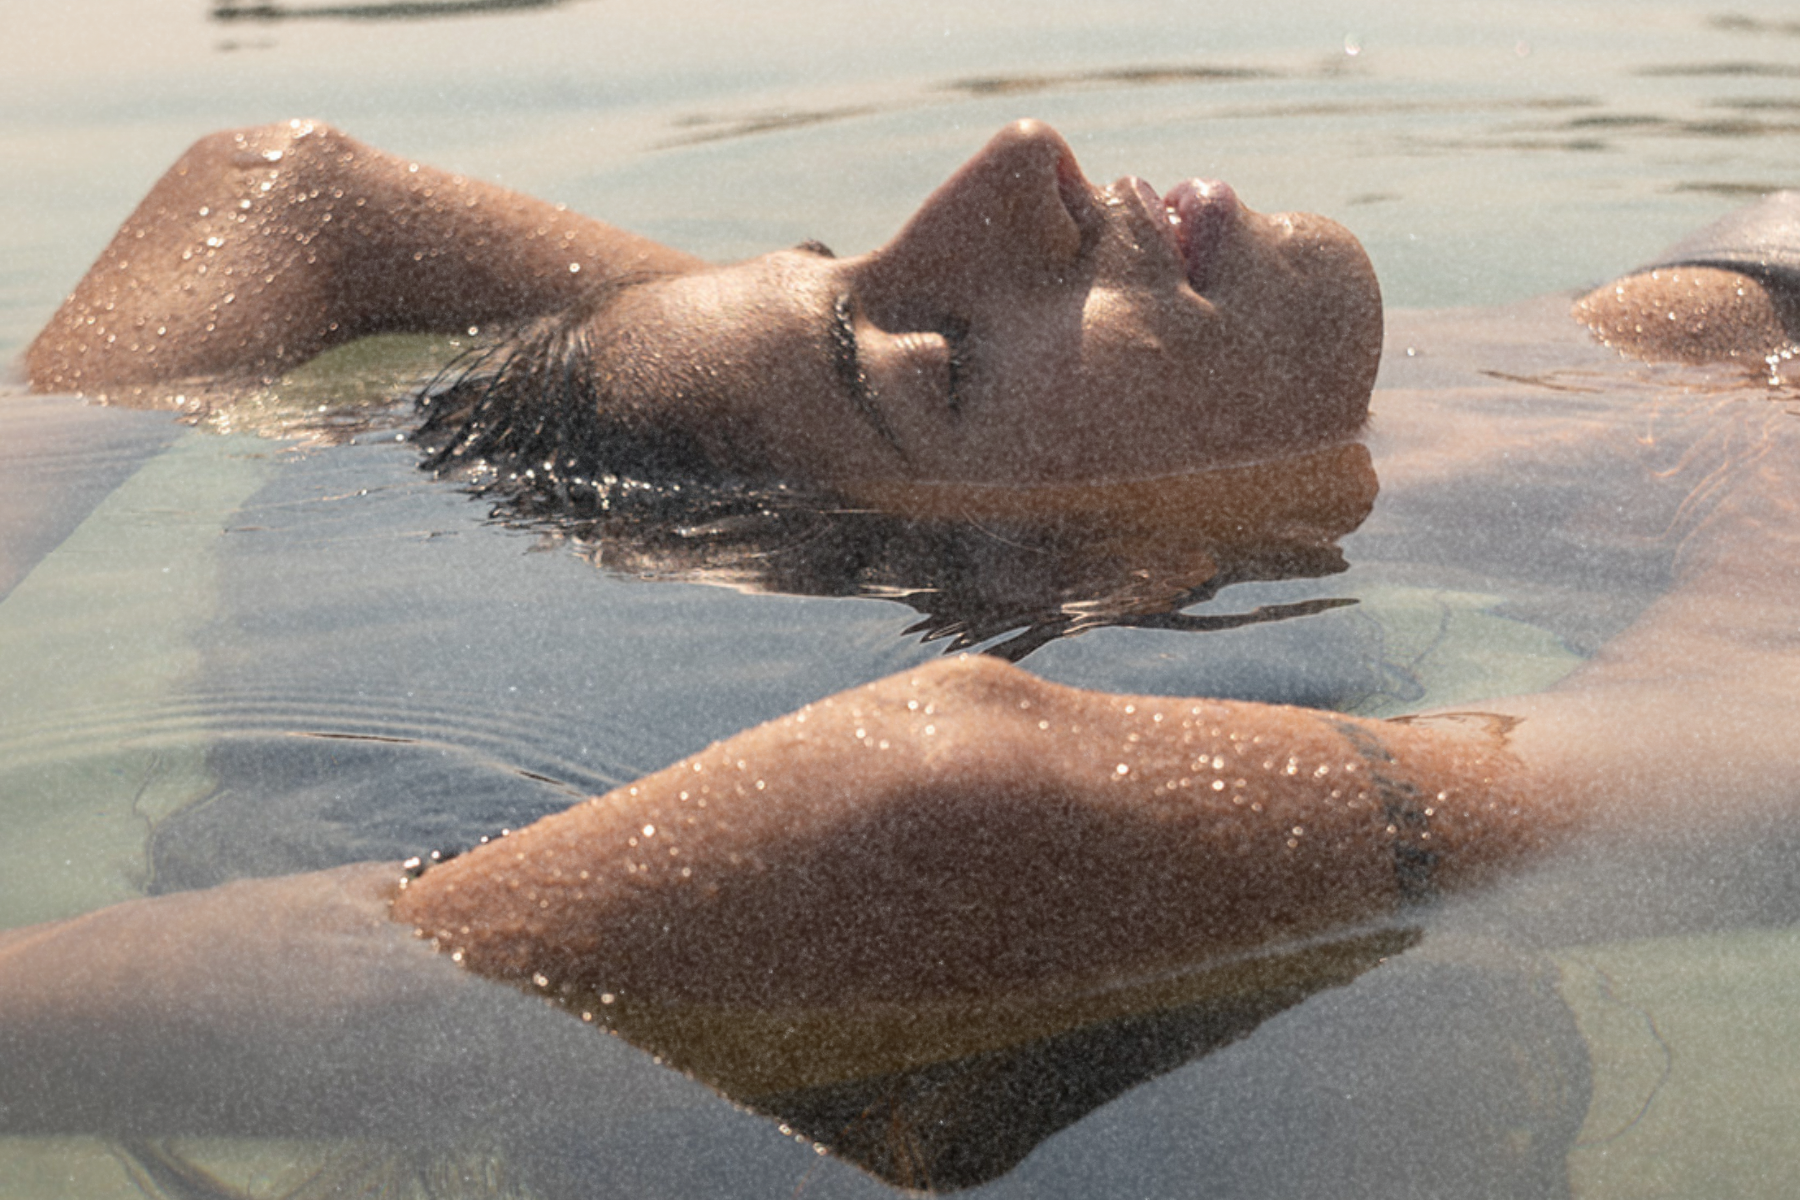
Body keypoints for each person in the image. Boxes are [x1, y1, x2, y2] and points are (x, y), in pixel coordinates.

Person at [8, 120, 1800, 1194]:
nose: (1014, 165)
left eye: (832, 259)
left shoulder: (1259, 421)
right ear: (1103, 590)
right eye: (925, 352)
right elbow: (955, 801)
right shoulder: (1749, 666)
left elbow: (291, 192)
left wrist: (861, 349)